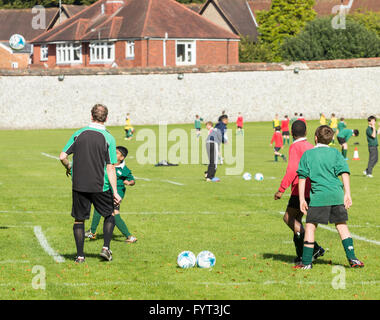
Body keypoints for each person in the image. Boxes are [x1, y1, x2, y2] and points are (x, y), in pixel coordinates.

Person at [295, 125, 364, 269]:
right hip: (336, 195)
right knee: (342, 226)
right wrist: (347, 193)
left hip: (319, 197)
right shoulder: (336, 153)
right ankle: (353, 259)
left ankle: (307, 262)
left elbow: (301, 178)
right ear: (332, 139)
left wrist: (302, 199)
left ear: (315, 138)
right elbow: (344, 172)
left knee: (310, 227)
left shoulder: (308, 155)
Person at [59, 104, 121, 263]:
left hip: (79, 185)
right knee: (110, 214)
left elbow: (62, 156)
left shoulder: (79, 134)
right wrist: (115, 191)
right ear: (106, 118)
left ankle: (80, 256)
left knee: (79, 220)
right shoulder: (108, 138)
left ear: (91, 116)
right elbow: (110, 167)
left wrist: (69, 166)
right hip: (100, 185)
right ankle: (106, 248)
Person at [274, 120, 325, 265]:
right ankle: (301, 255)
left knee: (288, 218)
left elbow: (292, 170)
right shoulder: (311, 146)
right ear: (306, 132)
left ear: (291, 133)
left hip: (299, 189)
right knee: (298, 222)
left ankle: (315, 248)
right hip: (313, 189)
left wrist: (281, 189)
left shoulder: (295, 146)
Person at [86, 146, 137, 243]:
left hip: (117, 194)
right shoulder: (108, 164)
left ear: (122, 158)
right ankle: (92, 232)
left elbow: (132, 180)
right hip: (106, 191)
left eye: (116, 153)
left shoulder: (124, 169)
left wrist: (129, 182)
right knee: (106, 210)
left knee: (110, 212)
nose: (113, 153)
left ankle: (92, 232)